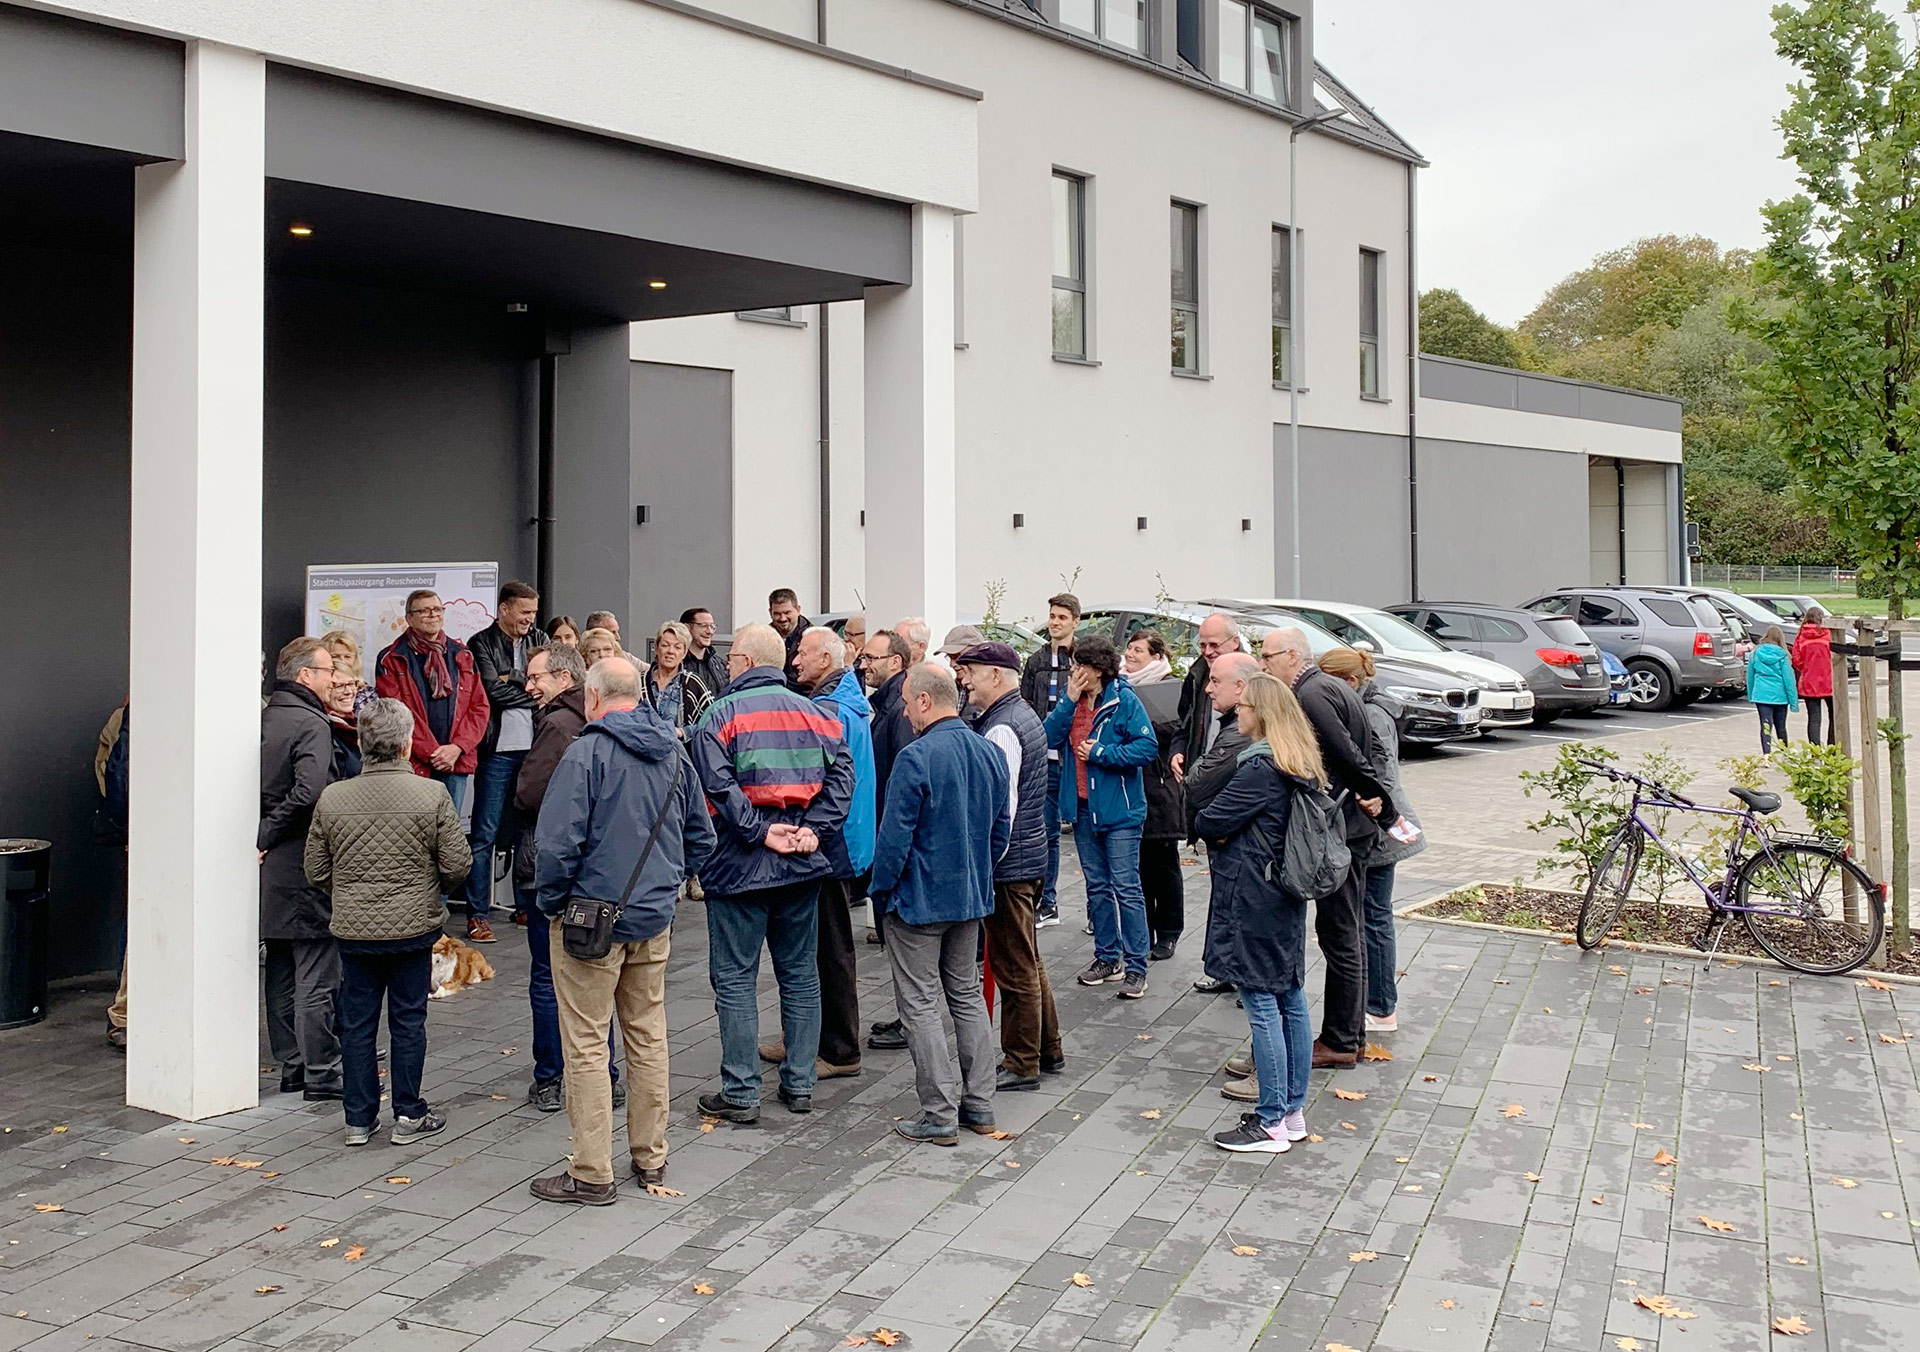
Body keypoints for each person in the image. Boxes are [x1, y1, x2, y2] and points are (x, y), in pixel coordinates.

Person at [530, 658, 715, 1204]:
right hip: (652, 918)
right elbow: (701, 840)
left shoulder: (586, 753)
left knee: (587, 1043)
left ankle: (590, 1170)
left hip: (589, 920)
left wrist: (552, 904)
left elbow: (557, 845)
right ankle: (651, 1159)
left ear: (592, 696)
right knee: (647, 1033)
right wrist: (664, 882)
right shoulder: (675, 752)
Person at [688, 624, 853, 1122]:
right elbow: (842, 783)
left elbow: (716, 788)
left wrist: (761, 830)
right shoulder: (822, 715)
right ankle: (799, 1084)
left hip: (738, 865)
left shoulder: (719, 716)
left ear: (741, 660)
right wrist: (811, 832)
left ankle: (741, 1092)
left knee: (736, 980)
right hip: (801, 865)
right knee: (800, 974)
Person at [304, 698, 471, 1147]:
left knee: (356, 1024)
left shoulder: (333, 798)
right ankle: (409, 1113)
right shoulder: (431, 794)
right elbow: (458, 864)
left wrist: (349, 893)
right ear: (407, 743)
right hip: (413, 928)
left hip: (354, 932)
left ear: (361, 742)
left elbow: (316, 870)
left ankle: (358, 1119)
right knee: (408, 1020)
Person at [870, 664, 1010, 1144]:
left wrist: (881, 893)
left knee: (921, 1005)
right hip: (969, 898)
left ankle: (939, 1111)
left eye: (908, 702)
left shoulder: (916, 757)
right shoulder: (988, 752)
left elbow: (893, 841)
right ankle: (980, 1105)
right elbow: (1000, 829)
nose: (905, 711)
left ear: (925, 701)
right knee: (967, 997)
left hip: (919, 902)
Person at [1195, 673, 1326, 1155]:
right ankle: (1291, 1112)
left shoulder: (1260, 768)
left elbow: (1209, 819)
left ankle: (1270, 1121)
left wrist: (1222, 830)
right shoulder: (1300, 761)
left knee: (1262, 1002)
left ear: (1263, 714)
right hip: (1285, 894)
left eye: (1245, 706)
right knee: (1289, 996)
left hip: (1254, 895)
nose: (1238, 713)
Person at [1260, 628, 1394, 1070]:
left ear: (1292, 655)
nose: (1263, 664)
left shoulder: (1313, 693)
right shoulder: (1330, 686)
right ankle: (1349, 1036)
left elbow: (1349, 754)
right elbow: (1364, 751)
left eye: (1268, 656)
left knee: (1339, 933)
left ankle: (1339, 1039)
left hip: (1340, 830)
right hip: (1349, 825)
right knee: (1346, 931)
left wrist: (1378, 800)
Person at [512, 642, 622, 1114]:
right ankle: (607, 1074)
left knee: (548, 976)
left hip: (553, 867)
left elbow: (530, 793)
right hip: (600, 869)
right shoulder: (606, 720)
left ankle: (552, 1076)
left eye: (535, 677)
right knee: (600, 978)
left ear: (563, 677)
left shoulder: (557, 724)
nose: (529, 686)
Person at [762, 627, 876, 1077]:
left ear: (826, 659)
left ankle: (839, 1050)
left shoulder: (829, 709)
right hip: (844, 836)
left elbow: (818, 781)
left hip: (829, 841)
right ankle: (807, 1037)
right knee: (821, 945)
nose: (795, 662)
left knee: (828, 948)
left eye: (803, 654)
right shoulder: (848, 702)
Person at [956, 643, 1064, 1090]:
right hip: (1026, 856)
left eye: (972, 674)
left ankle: (1022, 1062)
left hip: (1009, 865)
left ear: (997, 676)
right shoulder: (1019, 716)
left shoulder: (1003, 729)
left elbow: (1003, 808)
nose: (965, 681)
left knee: (1013, 965)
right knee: (1028, 959)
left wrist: (987, 864)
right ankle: (1048, 1048)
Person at [1044, 632, 1159, 998]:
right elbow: (1048, 736)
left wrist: (1103, 753)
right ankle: (1107, 957)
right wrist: (1067, 701)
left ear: (1098, 669)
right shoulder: (1073, 700)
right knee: (1096, 886)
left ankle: (1137, 966)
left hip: (1120, 810)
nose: (1075, 670)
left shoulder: (1123, 700)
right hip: (1081, 807)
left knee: (1126, 887)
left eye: (1081, 665)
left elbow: (1147, 747)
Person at [1318, 647, 1425, 1035]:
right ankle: (1373, 1003)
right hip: (1378, 827)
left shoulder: (1372, 713)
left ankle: (1380, 1007)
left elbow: (1380, 778)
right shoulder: (1366, 706)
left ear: (1348, 682)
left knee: (1374, 917)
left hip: (1379, 832)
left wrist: (1378, 819)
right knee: (1370, 915)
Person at [260, 637, 346, 1102]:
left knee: (279, 965)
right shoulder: (311, 724)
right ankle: (322, 1071)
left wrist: (262, 835)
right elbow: (312, 790)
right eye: (328, 669)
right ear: (304, 676)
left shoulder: (264, 717)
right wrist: (270, 831)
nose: (335, 678)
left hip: (273, 866)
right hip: (302, 861)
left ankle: (293, 1066)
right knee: (316, 966)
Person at [465, 581, 549, 943]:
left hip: (536, 748)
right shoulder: (480, 643)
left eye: (533, 612)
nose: (530, 620)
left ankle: (524, 905)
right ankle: (477, 914)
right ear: (503, 609)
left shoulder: (540, 639)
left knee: (528, 831)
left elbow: (553, 687)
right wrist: (530, 688)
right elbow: (488, 691)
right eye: (524, 612)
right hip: (497, 750)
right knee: (485, 833)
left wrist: (512, 678)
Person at [373, 590, 489, 818]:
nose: (433, 615)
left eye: (437, 609)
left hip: (455, 761)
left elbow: (479, 707)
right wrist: (432, 753)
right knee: (414, 832)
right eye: (424, 611)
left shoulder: (462, 654)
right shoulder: (391, 658)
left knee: (448, 831)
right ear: (409, 618)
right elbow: (396, 714)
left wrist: (457, 747)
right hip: (414, 762)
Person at [1186, 653, 1257, 999]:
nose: (1209, 690)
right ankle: (1226, 970)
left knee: (1236, 906)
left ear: (1241, 687)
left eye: (1216, 682)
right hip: (1227, 838)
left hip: (1238, 843)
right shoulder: (1231, 723)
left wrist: (1204, 819)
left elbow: (1198, 781)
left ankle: (1242, 977)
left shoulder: (1243, 733)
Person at [859, 629, 916, 1004]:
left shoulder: (899, 709)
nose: (863, 666)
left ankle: (908, 1015)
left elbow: (903, 780)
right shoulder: (884, 704)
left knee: (903, 941)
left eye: (871, 659)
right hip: (882, 827)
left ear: (895, 662)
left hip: (891, 834)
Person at [1125, 630, 1186, 961]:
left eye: (1139, 650)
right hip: (1133, 786)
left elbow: (1177, 729)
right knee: (1139, 865)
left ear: (1156, 656)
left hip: (1161, 787)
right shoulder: (1121, 684)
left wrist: (1141, 722)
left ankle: (1169, 931)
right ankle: (1143, 928)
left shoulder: (1169, 685)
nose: (1131, 655)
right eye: (1130, 649)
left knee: (1164, 864)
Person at [1021, 593, 1079, 928]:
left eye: (1061, 617)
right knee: (1047, 831)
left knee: (1084, 830)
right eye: (1052, 617)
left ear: (1075, 621)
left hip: (1075, 757)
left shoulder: (1083, 658)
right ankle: (1048, 900)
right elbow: (1028, 705)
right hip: (1044, 758)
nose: (1055, 622)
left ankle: (1096, 909)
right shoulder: (1036, 660)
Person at [1174, 614, 1248, 781]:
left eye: (1214, 645)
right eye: (1202, 645)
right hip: (1199, 774)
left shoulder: (1253, 677)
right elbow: (1184, 721)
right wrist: (1178, 750)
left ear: (1235, 642)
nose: (1207, 652)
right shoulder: (1196, 675)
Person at [96, 701, 130, 1050]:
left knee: (137, 924)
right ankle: (124, 1014)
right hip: (152, 829)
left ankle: (124, 1015)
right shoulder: (130, 717)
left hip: (140, 828)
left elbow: (107, 771)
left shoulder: (127, 715)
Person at [646, 620, 713, 732]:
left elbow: (711, 721)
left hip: (680, 748)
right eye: (665, 645)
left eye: (677, 647)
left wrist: (683, 732)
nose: (670, 651)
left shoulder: (693, 682)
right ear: (657, 649)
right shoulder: (639, 682)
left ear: (684, 652)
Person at [1748, 625, 1800, 753]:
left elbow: (1750, 676)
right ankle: (1785, 752)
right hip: (1780, 696)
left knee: (1765, 725)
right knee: (1781, 726)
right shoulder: (1783, 655)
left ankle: (1767, 754)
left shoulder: (1755, 653)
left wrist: (1751, 695)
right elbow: (1789, 680)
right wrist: (1794, 703)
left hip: (1761, 694)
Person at [1791, 608, 1836, 746]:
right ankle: (1832, 748)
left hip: (1809, 682)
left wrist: (1808, 667)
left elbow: (1796, 660)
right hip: (1829, 681)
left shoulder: (1801, 637)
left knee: (1814, 719)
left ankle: (1815, 750)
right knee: (1834, 717)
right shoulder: (1829, 635)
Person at [322, 654, 364, 779]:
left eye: (351, 684)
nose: (349, 692)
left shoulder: (359, 726)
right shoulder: (324, 729)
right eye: (339, 686)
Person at [321, 632, 376, 714]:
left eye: (347, 657)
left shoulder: (369, 695)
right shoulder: (320, 693)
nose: (342, 661)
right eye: (335, 657)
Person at [768, 588, 812, 689]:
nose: (783, 618)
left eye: (787, 612)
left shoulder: (811, 637)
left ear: (798, 610)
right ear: (770, 612)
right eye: (777, 614)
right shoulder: (765, 637)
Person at [680, 607, 727, 698]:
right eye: (704, 626)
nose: (709, 632)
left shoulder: (721, 665)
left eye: (712, 627)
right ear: (687, 628)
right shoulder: (676, 665)